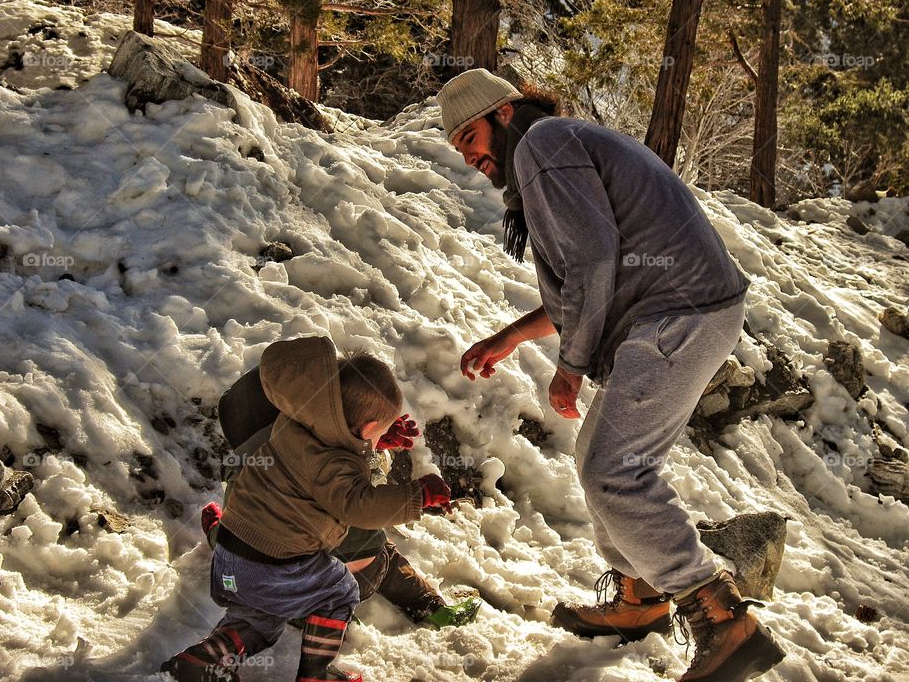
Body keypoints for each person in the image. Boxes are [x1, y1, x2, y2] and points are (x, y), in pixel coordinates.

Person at [435, 69, 785, 682]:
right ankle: (640, 597)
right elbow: (589, 275)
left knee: (615, 471)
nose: (469, 156)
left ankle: (723, 617)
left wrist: (570, 366)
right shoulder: (558, 146)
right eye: (458, 146)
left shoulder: (543, 146)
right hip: (683, 310)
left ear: (505, 113)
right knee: (601, 455)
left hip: (680, 313)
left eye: (470, 135)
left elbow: (594, 262)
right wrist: (510, 337)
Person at [160, 336, 453, 682]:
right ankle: (315, 675)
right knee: (340, 591)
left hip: (234, 564)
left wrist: (366, 442)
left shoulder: (286, 428)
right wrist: (417, 495)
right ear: (368, 428)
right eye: (377, 433)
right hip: (286, 572)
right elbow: (356, 503)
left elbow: (317, 468)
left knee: (258, 622)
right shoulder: (330, 463)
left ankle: (204, 658)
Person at [204, 369, 481, 631]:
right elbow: (355, 496)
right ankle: (428, 609)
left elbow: (231, 541)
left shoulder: (251, 471)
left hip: (315, 573)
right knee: (379, 548)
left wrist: (213, 526)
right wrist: (411, 489)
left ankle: (322, 616)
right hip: (358, 567)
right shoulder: (313, 448)